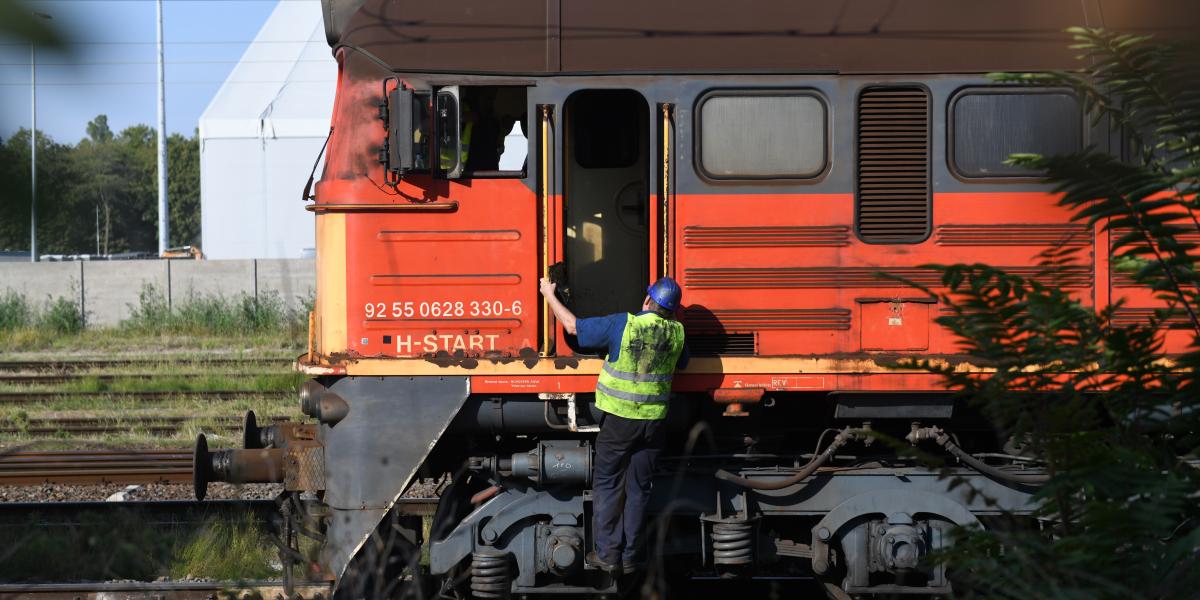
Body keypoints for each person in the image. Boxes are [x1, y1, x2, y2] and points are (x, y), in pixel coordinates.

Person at [538, 276, 688, 574]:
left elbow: (572, 328)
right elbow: (682, 364)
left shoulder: (625, 324)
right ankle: (631, 557)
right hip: (653, 424)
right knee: (639, 489)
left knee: (608, 485)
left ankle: (608, 555)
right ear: (672, 310)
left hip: (620, 421)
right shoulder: (678, 333)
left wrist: (548, 295)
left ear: (647, 300)